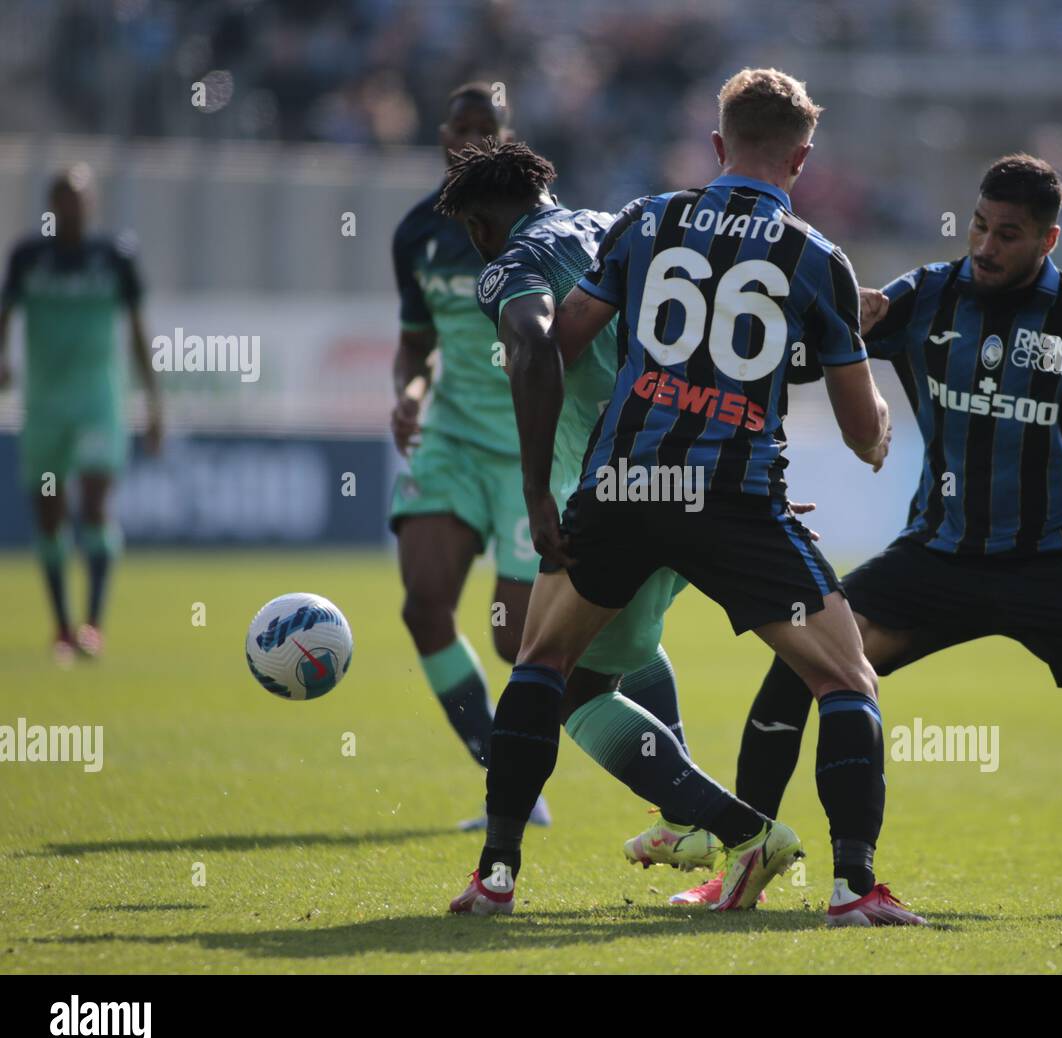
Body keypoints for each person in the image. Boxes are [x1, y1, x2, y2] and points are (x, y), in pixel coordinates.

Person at [446, 69, 924, 926]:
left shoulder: (646, 218)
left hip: (624, 478)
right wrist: (849, 375)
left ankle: (497, 876)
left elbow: (561, 341)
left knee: (542, 665)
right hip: (735, 493)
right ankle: (853, 887)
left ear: (716, 147)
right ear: (802, 159)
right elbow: (862, 433)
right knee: (846, 678)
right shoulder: (817, 259)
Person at [722, 153, 1062, 910]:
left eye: (1008, 234)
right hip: (936, 554)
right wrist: (839, 321)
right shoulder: (926, 295)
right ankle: (748, 852)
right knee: (800, 659)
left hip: (1054, 558)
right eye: (978, 225)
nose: (985, 245)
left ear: (1048, 239)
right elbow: (816, 359)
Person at [436, 141, 729, 912]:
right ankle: (682, 820)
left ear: (477, 225)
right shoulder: (619, 224)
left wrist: (535, 492)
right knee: (624, 649)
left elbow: (533, 345)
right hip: (693, 473)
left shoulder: (512, 263)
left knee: (556, 679)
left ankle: (723, 825)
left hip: (607, 491)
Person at [387, 82, 549, 828]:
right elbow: (415, 346)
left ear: (506, 137)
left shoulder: (541, 228)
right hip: (450, 438)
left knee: (517, 638)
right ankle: (501, 777)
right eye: (463, 127)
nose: (473, 140)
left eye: (489, 130)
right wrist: (412, 392)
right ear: (443, 133)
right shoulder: (417, 232)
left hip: (529, 447)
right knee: (425, 606)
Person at [0, 164, 160, 665]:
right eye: (63, 197)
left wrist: (154, 404)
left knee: (94, 506)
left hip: (98, 404)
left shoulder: (114, 257)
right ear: (51, 204)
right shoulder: (29, 257)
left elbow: (137, 331)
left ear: (92, 203)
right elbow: (4, 317)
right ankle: (62, 628)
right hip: (44, 407)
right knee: (50, 516)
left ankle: (94, 624)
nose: (72, 206)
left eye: (80, 196)